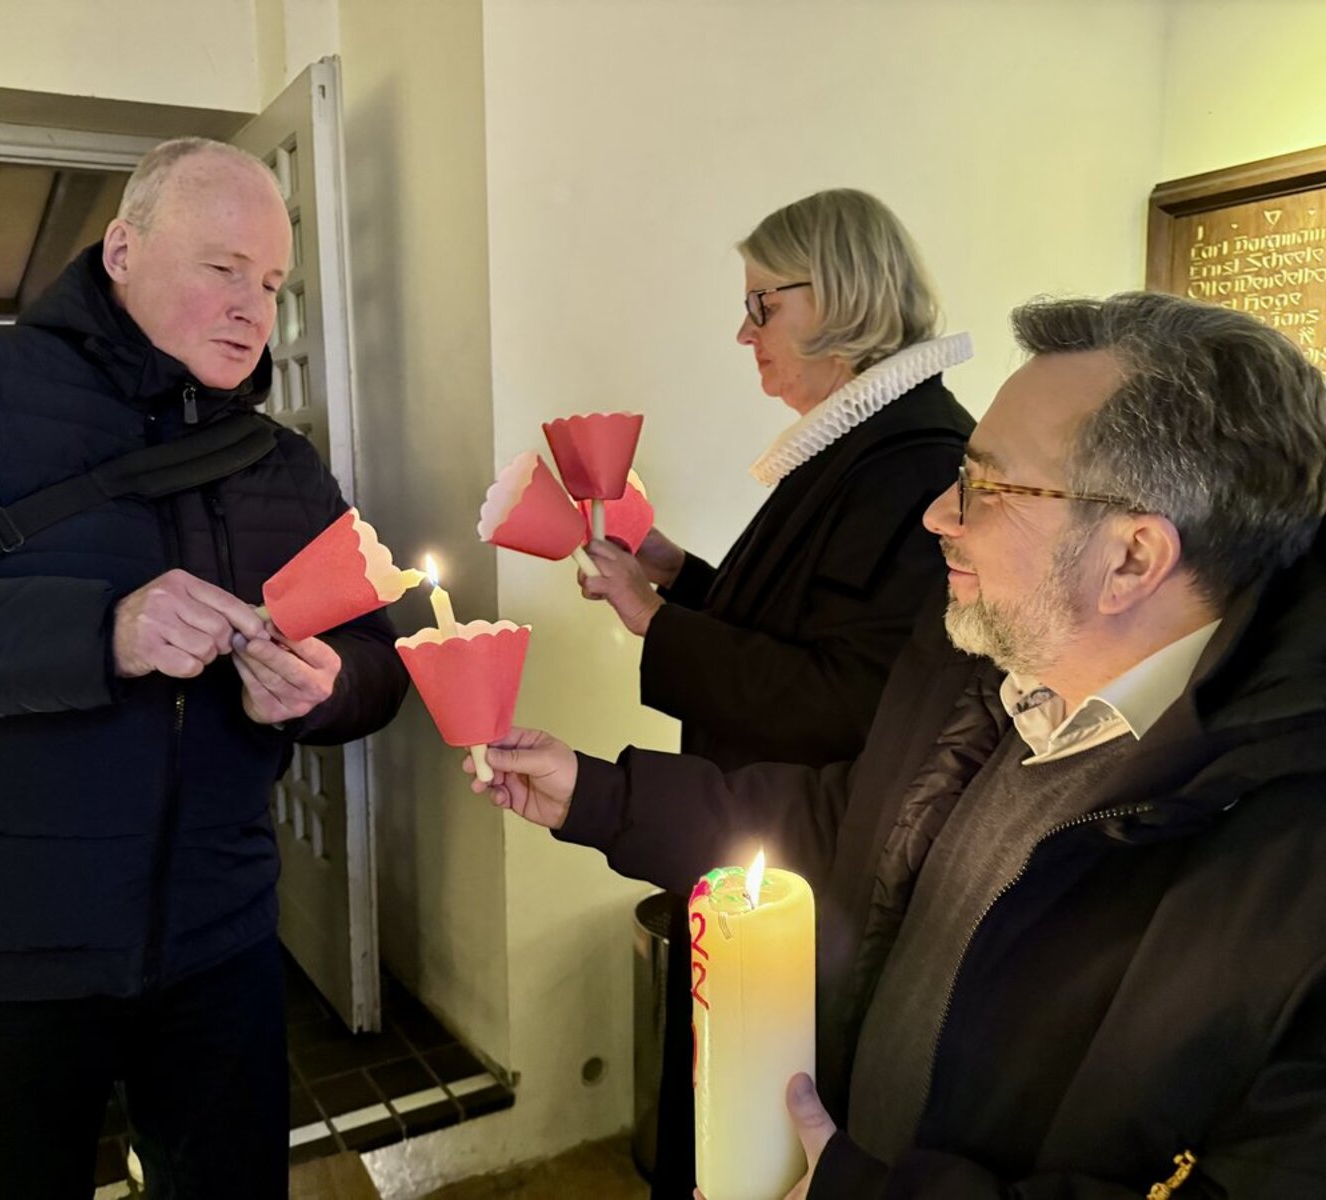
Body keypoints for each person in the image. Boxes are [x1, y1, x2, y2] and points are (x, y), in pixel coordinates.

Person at [472, 292, 1326, 1197]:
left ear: (1131, 559)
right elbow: (860, 829)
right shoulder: (994, 664)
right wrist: (596, 795)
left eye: (985, 488)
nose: (938, 517)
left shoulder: (1291, 862)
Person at [0, 137, 407, 1199]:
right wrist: (100, 632)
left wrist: (328, 689)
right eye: (222, 267)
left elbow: (381, 658)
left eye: (272, 282)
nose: (253, 308)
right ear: (123, 251)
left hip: (220, 938)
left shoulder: (281, 467)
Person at [580, 189, 972, 1195]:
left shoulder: (912, 465)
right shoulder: (856, 444)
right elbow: (804, 626)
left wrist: (656, 623)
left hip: (813, 886)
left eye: (763, 304)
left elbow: (848, 699)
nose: (743, 332)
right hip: (771, 866)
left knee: (755, 1153)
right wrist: (681, 580)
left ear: (841, 296)